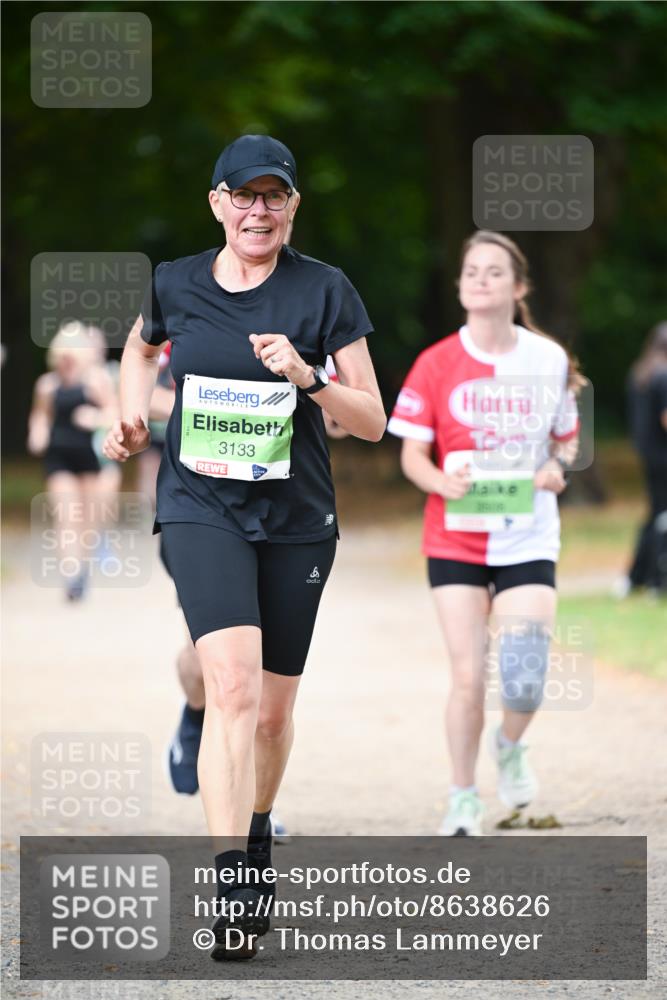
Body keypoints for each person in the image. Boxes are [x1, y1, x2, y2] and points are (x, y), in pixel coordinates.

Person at [103, 134, 385, 955]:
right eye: (243, 195)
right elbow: (140, 347)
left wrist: (308, 376)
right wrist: (130, 414)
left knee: (270, 713)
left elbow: (372, 419)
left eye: (274, 195)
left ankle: (256, 829)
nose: (258, 210)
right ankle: (232, 882)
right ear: (217, 203)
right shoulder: (176, 281)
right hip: (200, 506)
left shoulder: (325, 290)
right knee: (231, 686)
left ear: (292, 205)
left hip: (296, 518)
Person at [388, 230, 581, 836]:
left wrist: (555, 469)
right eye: (471, 271)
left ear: (519, 287)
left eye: (495, 271)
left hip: (527, 533)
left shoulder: (548, 360)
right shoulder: (435, 362)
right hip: (456, 536)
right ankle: (463, 796)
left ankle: (510, 744)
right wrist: (440, 481)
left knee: (524, 675)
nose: (480, 280)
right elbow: (412, 456)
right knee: (469, 676)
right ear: (459, 286)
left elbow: (565, 440)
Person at [27, 322, 118, 601]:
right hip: (59, 457)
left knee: (88, 518)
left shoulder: (95, 381)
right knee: (66, 516)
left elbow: (114, 413)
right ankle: (71, 573)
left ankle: (83, 565)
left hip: (87, 457)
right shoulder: (47, 385)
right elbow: (41, 415)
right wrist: (38, 433)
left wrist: (94, 418)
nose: (66, 360)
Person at [623, 322, 667, 594]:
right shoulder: (664, 375)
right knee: (662, 517)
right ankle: (655, 579)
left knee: (655, 514)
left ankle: (636, 576)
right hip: (664, 456)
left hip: (648, 455)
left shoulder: (641, 373)